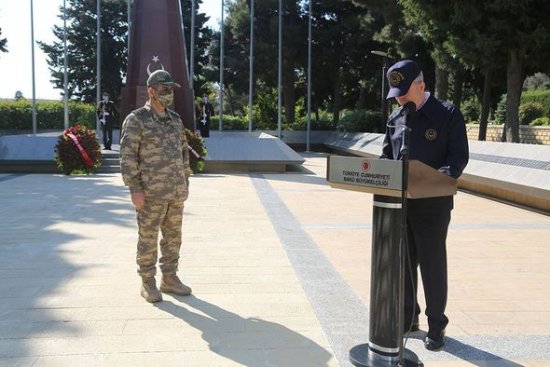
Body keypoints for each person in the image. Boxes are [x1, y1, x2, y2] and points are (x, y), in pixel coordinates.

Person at [380, 59, 469, 351]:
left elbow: (457, 158)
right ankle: (408, 318)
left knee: (432, 265)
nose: (401, 99)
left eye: (404, 92)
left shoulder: (447, 115)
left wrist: (435, 179)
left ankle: (436, 325)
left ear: (421, 84)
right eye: (396, 94)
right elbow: (386, 157)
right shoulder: (395, 119)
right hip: (399, 205)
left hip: (433, 205)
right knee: (404, 264)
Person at [120, 69, 192, 303]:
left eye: (171, 89)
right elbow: (128, 156)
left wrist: (185, 180)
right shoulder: (137, 120)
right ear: (151, 91)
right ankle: (148, 281)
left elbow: (183, 152)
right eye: (164, 89)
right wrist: (134, 188)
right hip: (150, 194)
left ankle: (169, 279)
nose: (169, 94)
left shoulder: (175, 120)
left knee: (173, 238)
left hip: (175, 192)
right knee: (148, 238)